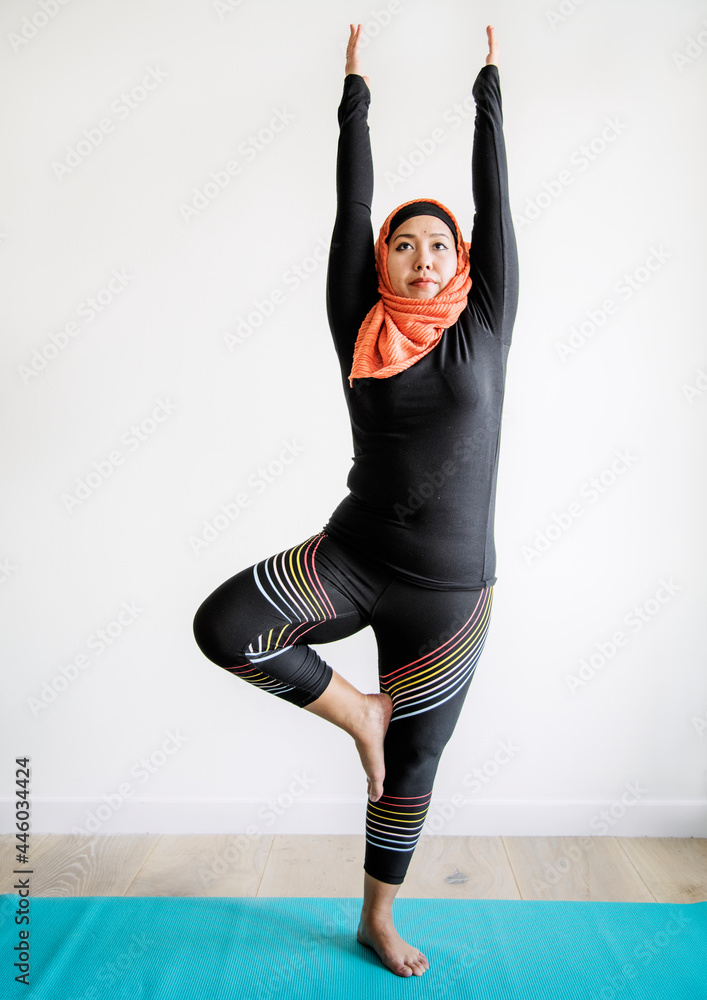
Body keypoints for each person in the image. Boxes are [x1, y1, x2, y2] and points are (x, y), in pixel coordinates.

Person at [193, 22, 518, 978]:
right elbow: (354, 204)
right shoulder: (356, 325)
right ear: (381, 263)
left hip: (449, 597)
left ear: (460, 264)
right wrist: (354, 95)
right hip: (352, 555)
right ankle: (356, 712)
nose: (422, 258)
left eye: (438, 247)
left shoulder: (488, 323)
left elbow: (495, 204)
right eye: (404, 247)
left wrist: (488, 91)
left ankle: (377, 919)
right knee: (226, 625)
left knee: (411, 775)